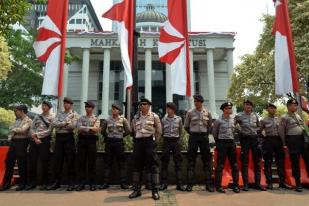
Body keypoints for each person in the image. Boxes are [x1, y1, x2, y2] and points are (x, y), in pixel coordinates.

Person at [129, 97, 162, 200]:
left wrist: (153, 142)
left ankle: (155, 191)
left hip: (149, 143)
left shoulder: (154, 117)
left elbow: (159, 131)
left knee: (153, 167)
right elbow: (132, 130)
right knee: (137, 167)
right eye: (141, 104)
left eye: (144, 104)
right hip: (138, 143)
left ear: (149, 106)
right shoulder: (135, 117)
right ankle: (136, 190)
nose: (142, 106)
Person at [48, 97, 79, 191]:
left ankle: (71, 183)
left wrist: (61, 124)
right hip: (59, 138)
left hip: (69, 138)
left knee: (70, 161)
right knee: (57, 161)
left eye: (68, 103)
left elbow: (73, 125)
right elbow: (53, 123)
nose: (66, 105)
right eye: (65, 103)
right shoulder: (59, 113)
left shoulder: (75, 114)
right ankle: (56, 182)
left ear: (71, 105)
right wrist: (65, 124)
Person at [184, 94, 214, 192]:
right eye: (195, 101)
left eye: (197, 101)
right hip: (193, 137)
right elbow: (186, 126)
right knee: (191, 160)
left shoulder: (208, 112)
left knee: (206, 160)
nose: (195, 103)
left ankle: (208, 184)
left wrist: (205, 134)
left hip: (204, 137)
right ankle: (189, 184)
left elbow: (210, 126)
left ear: (201, 102)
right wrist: (193, 133)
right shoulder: (190, 112)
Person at [279, 98, 309, 192]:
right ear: (288, 106)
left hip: (303, 140)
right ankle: (298, 184)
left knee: (308, 160)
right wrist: (284, 144)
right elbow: (281, 131)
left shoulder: (298, 115)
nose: (294, 107)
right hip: (292, 141)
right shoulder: (284, 117)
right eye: (292, 105)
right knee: (295, 163)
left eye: (296, 105)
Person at [235, 100, 265, 191]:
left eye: (250, 105)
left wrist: (257, 132)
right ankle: (246, 184)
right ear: (244, 106)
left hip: (254, 139)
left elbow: (259, 127)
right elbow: (233, 125)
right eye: (246, 105)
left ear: (252, 107)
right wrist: (239, 131)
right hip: (245, 140)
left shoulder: (255, 115)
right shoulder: (239, 115)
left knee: (257, 162)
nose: (248, 106)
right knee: (245, 162)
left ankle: (258, 184)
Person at [0, 105, 32, 191]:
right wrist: (14, 130)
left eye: (17, 111)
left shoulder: (28, 120)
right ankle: (6, 184)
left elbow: (23, 130)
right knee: (9, 161)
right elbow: (10, 130)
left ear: (22, 111)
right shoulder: (17, 120)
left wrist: (14, 130)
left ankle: (23, 183)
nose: (16, 112)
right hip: (13, 142)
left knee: (21, 163)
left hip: (22, 142)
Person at [100, 103, 131, 190]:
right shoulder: (107, 120)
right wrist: (107, 136)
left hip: (119, 143)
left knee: (121, 163)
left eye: (116, 109)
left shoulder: (123, 120)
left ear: (119, 111)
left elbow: (128, 130)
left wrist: (121, 136)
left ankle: (123, 183)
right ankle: (105, 183)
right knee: (107, 162)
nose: (114, 110)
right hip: (109, 143)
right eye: (113, 109)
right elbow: (102, 131)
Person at [260, 103, 290, 190]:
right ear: (267, 109)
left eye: (274, 108)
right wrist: (264, 138)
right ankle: (269, 183)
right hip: (268, 140)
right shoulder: (263, 120)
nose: (273, 109)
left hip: (278, 141)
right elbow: (259, 131)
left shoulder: (280, 119)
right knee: (268, 162)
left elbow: (283, 130)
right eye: (270, 108)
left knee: (280, 162)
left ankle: (282, 182)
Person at [26, 100, 55, 191]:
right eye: (43, 105)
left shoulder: (52, 117)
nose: (43, 107)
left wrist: (37, 135)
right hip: (34, 140)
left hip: (45, 141)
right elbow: (31, 128)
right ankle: (32, 183)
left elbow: (49, 130)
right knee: (32, 162)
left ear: (49, 108)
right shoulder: (37, 116)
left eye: (45, 106)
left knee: (44, 162)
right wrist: (35, 138)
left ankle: (45, 183)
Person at [213, 102, 240, 193]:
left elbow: (234, 131)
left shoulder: (233, 120)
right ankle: (218, 186)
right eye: (228, 108)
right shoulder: (218, 120)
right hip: (222, 143)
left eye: (231, 108)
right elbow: (215, 133)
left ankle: (236, 186)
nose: (230, 109)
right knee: (220, 165)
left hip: (231, 143)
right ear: (224, 109)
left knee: (235, 165)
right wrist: (219, 143)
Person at [159, 102, 186, 191]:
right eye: (167, 108)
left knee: (178, 163)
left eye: (169, 108)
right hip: (166, 141)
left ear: (173, 110)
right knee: (164, 163)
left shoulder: (179, 119)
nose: (167, 110)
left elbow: (181, 131)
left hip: (175, 142)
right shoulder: (163, 119)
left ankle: (180, 184)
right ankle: (163, 184)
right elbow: (161, 131)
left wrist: (179, 141)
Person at [75, 101, 100, 191]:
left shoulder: (96, 118)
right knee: (81, 163)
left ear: (92, 108)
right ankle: (81, 184)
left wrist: (85, 129)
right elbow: (78, 128)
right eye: (86, 107)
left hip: (91, 141)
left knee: (92, 163)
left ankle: (92, 184)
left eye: (89, 107)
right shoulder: (81, 118)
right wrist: (90, 129)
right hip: (82, 141)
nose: (87, 108)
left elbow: (96, 129)